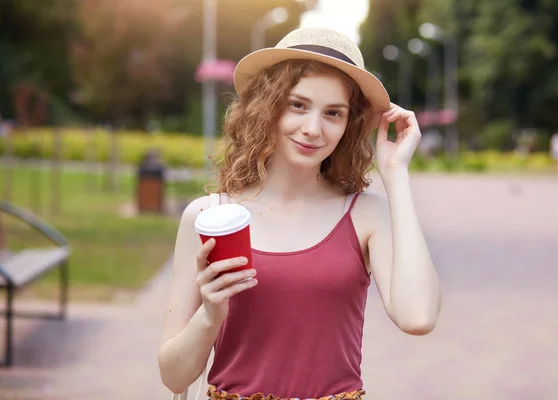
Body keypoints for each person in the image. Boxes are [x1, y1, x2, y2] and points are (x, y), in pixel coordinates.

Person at [158, 27, 441, 400]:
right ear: (267, 106)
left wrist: (396, 175)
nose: (312, 129)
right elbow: (174, 377)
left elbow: (418, 317)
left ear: (348, 125)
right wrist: (210, 315)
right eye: (298, 105)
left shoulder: (365, 215)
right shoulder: (208, 217)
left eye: (333, 113)